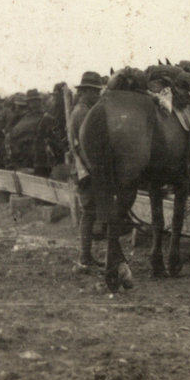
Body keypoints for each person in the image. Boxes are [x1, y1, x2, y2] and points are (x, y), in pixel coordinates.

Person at [69, 71, 105, 268]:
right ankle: (84, 257)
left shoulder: (81, 110)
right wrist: (94, 168)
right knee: (89, 212)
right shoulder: (83, 113)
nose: (97, 95)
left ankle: (86, 256)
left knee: (89, 212)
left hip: (84, 167)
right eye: (95, 92)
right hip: (86, 169)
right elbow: (84, 145)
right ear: (85, 92)